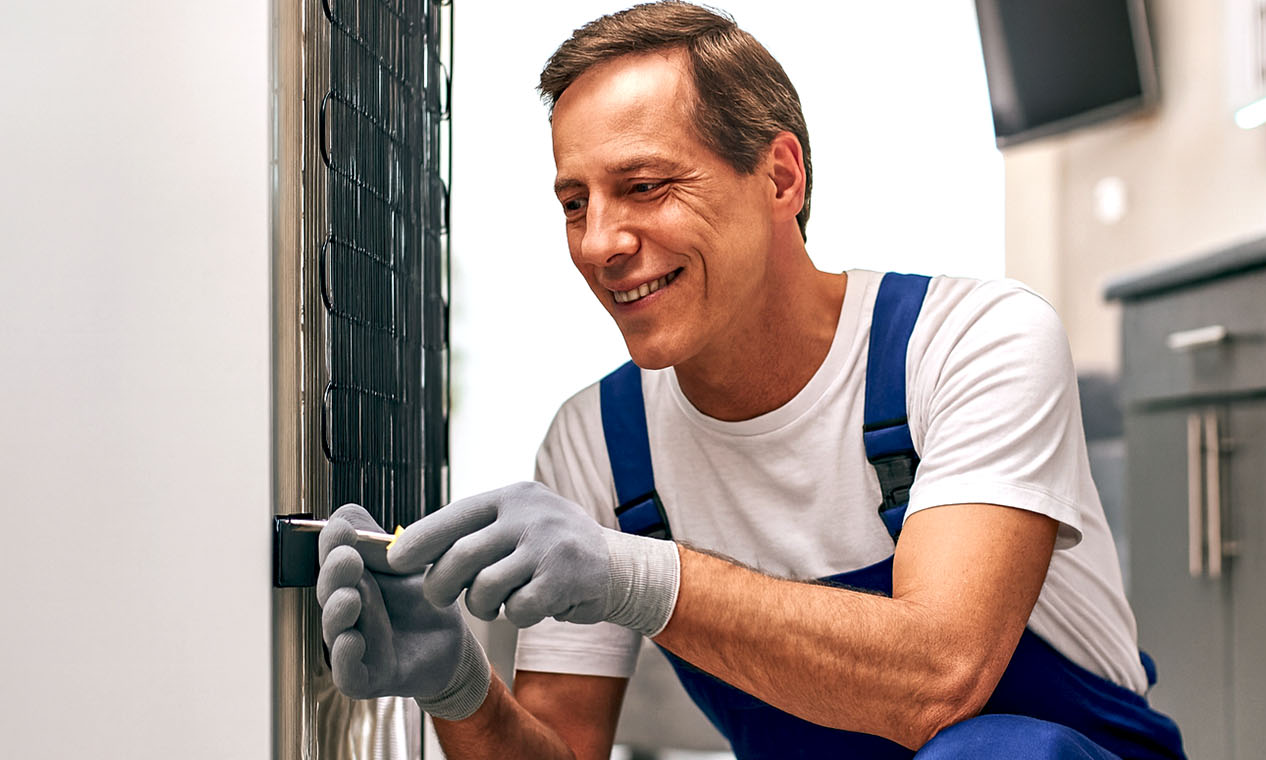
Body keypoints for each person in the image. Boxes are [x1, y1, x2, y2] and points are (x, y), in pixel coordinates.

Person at [315, 3, 1187, 758]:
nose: (599, 243)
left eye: (645, 186)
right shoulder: (600, 444)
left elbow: (939, 679)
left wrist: (635, 574)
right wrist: (461, 689)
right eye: (575, 202)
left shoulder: (969, 344)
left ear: (780, 175)